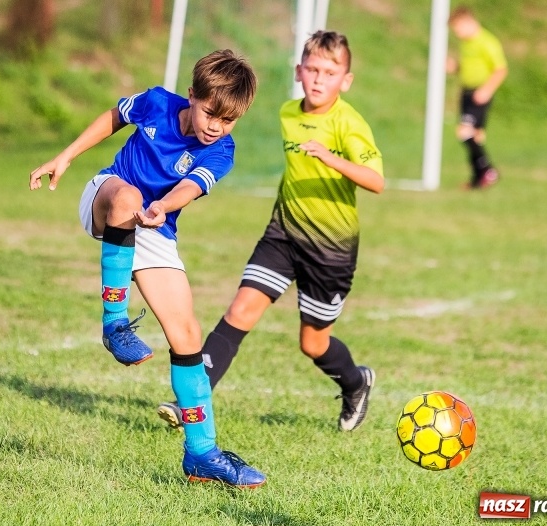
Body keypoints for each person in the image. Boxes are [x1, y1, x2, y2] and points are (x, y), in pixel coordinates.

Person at [29, 49, 265, 488]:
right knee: (128, 198)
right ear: (191, 95)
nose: (217, 126)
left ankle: (202, 454)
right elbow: (114, 117)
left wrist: (163, 207)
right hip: (107, 196)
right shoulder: (157, 102)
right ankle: (114, 323)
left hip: (154, 223)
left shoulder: (222, 151)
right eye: (210, 113)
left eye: (229, 120)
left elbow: (190, 187)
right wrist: (66, 156)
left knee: (187, 334)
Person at [157, 31, 384, 432]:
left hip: (330, 249)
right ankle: (190, 402)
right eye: (312, 69)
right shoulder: (287, 113)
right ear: (298, 71)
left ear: (345, 80)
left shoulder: (348, 123)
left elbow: (376, 180)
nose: (319, 79)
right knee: (240, 311)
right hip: (283, 234)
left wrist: (331, 158)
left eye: (330, 73)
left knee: (312, 343)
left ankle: (356, 382)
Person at [447, 5, 508, 189]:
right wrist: (455, 67)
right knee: (475, 137)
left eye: (458, 28)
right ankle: (478, 178)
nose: (457, 33)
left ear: (468, 22)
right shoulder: (466, 43)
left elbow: (501, 69)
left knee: (464, 132)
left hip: (479, 93)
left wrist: (487, 89)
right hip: (467, 92)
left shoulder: (487, 41)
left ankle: (487, 170)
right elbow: (468, 66)